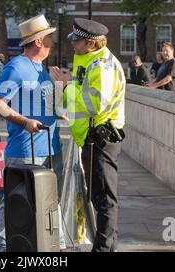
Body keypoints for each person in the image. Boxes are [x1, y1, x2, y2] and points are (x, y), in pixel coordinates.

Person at [0, 14, 66, 252]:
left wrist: (60, 87)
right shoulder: (16, 67)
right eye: (50, 38)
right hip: (25, 149)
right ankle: (1, 250)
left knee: (51, 201)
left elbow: (50, 105)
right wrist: (24, 122)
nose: (53, 42)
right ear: (39, 42)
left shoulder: (43, 69)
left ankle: (57, 246)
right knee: (14, 203)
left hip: (51, 148)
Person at [50, 18, 126, 252]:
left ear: (91, 43)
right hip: (91, 139)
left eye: (77, 40)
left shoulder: (102, 65)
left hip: (101, 138)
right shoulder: (90, 61)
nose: (72, 44)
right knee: (98, 197)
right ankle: (106, 245)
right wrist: (63, 87)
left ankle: (103, 248)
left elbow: (96, 104)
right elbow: (72, 102)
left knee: (104, 199)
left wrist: (67, 85)